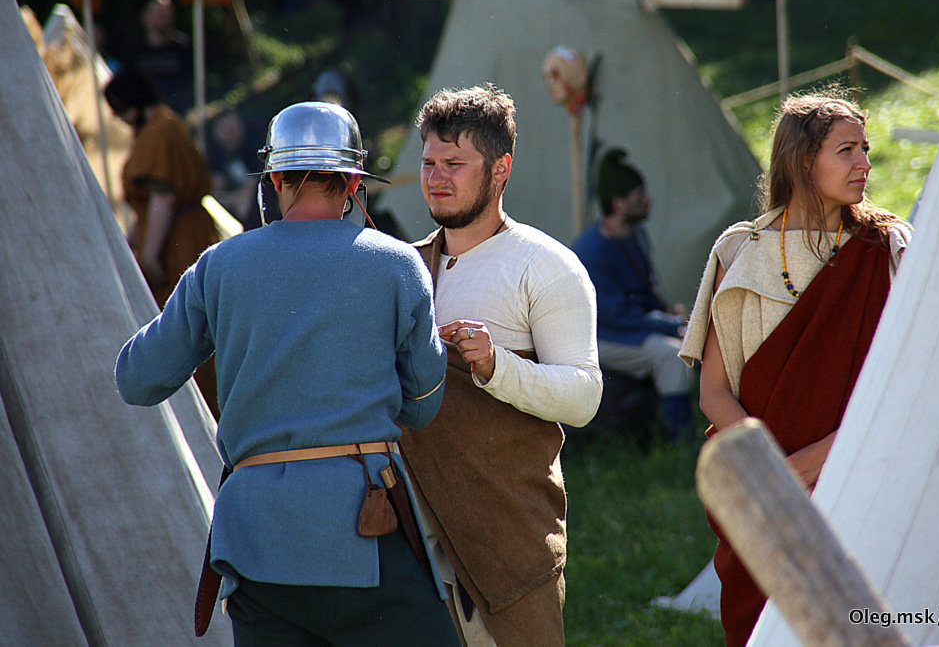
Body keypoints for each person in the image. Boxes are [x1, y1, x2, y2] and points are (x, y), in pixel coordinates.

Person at [114, 101, 458, 646]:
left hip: (254, 542)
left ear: (273, 179)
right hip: (363, 530)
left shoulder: (218, 265)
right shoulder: (398, 264)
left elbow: (136, 378)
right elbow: (422, 405)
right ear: (352, 182)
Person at [679, 90, 912, 647]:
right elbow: (713, 389)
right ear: (803, 161)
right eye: (847, 150)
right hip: (765, 492)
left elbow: (900, 386)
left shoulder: (888, 248)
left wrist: (815, 461)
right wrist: (772, 473)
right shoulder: (740, 251)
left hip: (861, 475)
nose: (865, 163)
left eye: (866, 149)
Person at [400, 83, 603, 646]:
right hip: (408, 537)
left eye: (455, 163)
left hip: (505, 530)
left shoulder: (546, 266)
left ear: (500, 168)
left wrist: (495, 366)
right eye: (429, 162)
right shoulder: (404, 268)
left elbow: (584, 397)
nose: (436, 177)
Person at [104, 68, 220, 414]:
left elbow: (162, 199)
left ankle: (195, 416)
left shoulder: (158, 133)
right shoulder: (168, 123)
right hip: (186, 232)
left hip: (175, 242)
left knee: (181, 328)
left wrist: (150, 256)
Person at [571, 148, 693, 440]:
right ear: (619, 203)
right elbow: (618, 316)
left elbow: (643, 290)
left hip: (628, 327)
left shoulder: (634, 235)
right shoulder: (592, 251)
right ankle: (680, 440)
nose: (647, 201)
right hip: (604, 335)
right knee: (671, 357)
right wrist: (668, 324)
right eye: (638, 197)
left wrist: (669, 315)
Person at [124, 0, 193, 115]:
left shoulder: (182, 49)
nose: (164, 17)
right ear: (146, 17)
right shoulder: (136, 53)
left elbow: (188, 86)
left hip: (176, 115)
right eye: (159, 13)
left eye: (167, 12)